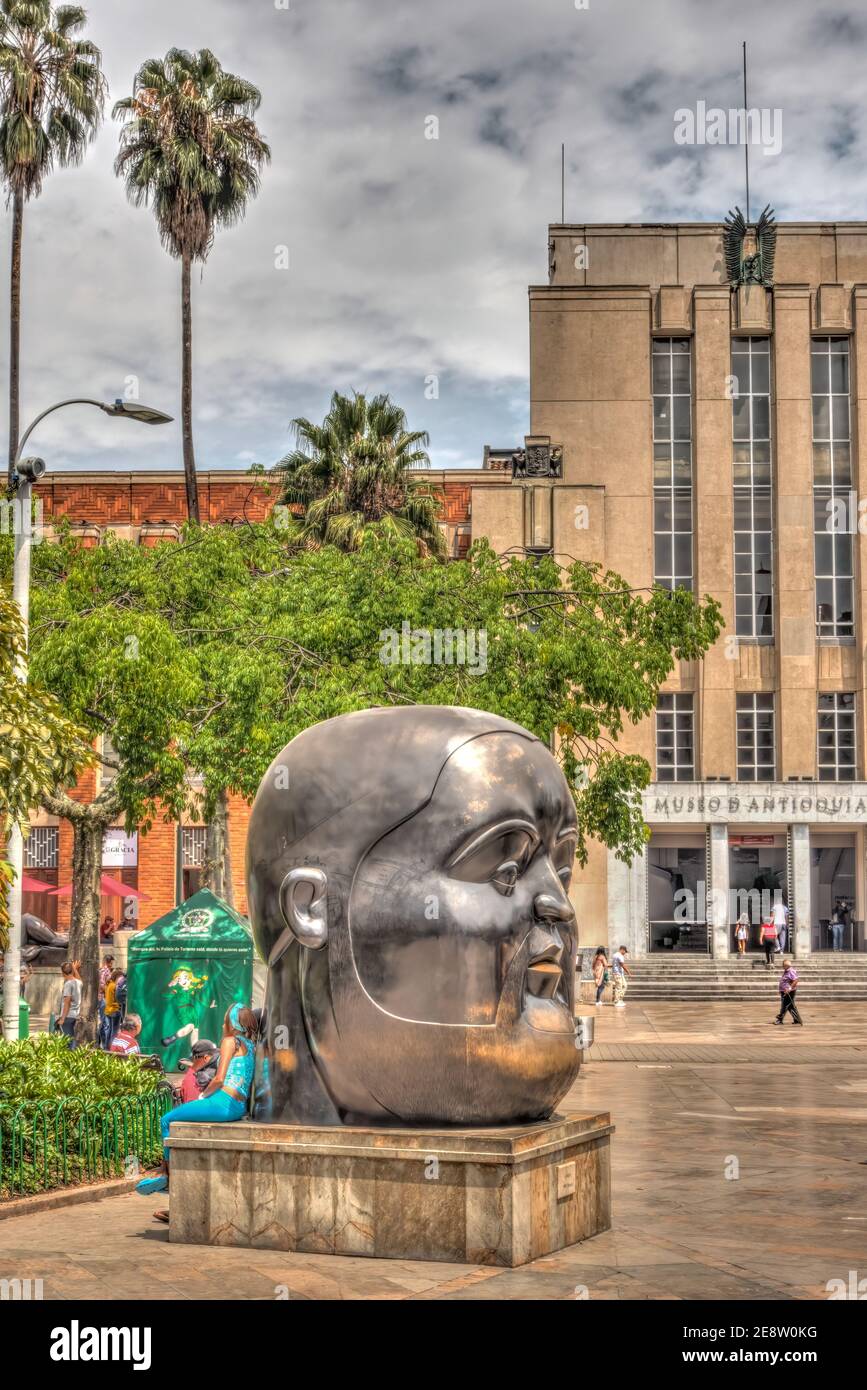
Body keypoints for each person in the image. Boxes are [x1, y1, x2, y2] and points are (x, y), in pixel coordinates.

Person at [136, 1003, 258, 1197]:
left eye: (225, 1020)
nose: (222, 1025)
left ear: (232, 1023)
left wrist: (203, 1095)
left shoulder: (230, 1041)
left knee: (166, 1120)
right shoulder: (250, 1045)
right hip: (238, 1106)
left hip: (223, 1102)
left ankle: (167, 1176)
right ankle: (165, 1175)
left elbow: (219, 1079)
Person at [57, 962, 81, 1047]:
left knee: (68, 1041)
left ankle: (70, 1057)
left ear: (63, 973)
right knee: (71, 1038)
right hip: (75, 1014)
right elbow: (79, 979)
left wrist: (62, 1018)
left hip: (68, 1016)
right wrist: (75, 969)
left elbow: (67, 1002)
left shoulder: (68, 984)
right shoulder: (78, 982)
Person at [774, 960, 803, 1026]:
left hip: (789, 992)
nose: (783, 967)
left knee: (784, 1006)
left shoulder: (791, 971)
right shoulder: (787, 971)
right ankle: (797, 1020)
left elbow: (796, 980)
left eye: (783, 965)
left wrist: (789, 988)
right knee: (791, 1006)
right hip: (785, 991)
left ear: (786, 965)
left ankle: (780, 1020)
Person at [102, 969, 122, 1050]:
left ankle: (107, 1047)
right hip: (114, 1010)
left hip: (108, 1010)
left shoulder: (109, 985)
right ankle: (112, 1048)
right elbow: (116, 998)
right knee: (114, 1032)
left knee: (109, 1031)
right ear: (117, 977)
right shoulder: (114, 986)